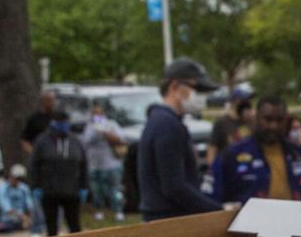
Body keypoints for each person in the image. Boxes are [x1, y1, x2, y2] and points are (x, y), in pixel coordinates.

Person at [138, 59, 222, 222]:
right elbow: (175, 187)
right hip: (168, 221)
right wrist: (218, 210)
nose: (202, 97)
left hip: (163, 218)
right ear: (175, 86)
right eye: (197, 89)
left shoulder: (162, 120)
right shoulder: (167, 125)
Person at [213, 95, 301, 204]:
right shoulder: (232, 155)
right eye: (268, 119)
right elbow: (214, 200)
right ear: (256, 118)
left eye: (279, 120)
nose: (273, 126)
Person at [28, 109, 88, 236]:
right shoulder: (42, 141)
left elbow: (83, 165)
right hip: (49, 190)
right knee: (52, 226)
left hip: (72, 190)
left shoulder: (75, 141)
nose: (64, 126)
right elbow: (34, 165)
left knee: (74, 225)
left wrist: (84, 186)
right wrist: (35, 186)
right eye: (61, 123)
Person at [84, 99, 126, 221]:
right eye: (95, 114)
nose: (97, 116)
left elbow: (121, 139)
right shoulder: (90, 126)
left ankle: (118, 210)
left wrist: (105, 133)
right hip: (94, 164)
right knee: (97, 191)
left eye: (99, 114)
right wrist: (95, 131)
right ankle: (99, 211)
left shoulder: (111, 124)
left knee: (114, 190)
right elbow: (85, 142)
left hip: (111, 164)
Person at [0, 163, 42, 236]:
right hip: (6, 219)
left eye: (20, 178)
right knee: (9, 224)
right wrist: (23, 217)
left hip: (22, 219)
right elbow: (7, 209)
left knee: (38, 213)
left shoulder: (24, 188)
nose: (17, 180)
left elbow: (30, 206)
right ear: (11, 176)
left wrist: (30, 218)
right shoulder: (2, 188)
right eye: (16, 178)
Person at [206, 94, 252, 168]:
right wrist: (212, 169)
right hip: (229, 169)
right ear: (235, 102)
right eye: (245, 102)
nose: (249, 106)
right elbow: (212, 148)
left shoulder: (251, 122)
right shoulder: (221, 123)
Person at [20, 90, 57, 158]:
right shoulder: (35, 119)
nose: (51, 103)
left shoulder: (57, 118)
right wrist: (34, 153)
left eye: (52, 100)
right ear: (43, 101)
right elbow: (25, 140)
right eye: (48, 100)